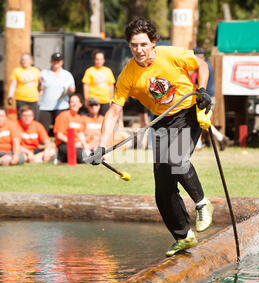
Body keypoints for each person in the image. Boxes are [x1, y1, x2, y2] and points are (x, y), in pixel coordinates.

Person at [91, 18, 214, 257]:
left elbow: (202, 65)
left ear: (153, 43)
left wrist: (203, 89)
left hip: (187, 112)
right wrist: (102, 147)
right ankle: (183, 236)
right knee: (163, 189)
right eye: (134, 45)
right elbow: (114, 111)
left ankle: (202, 204)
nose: (139, 49)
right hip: (161, 122)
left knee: (176, 160)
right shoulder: (127, 74)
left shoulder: (171, 55)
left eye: (143, 44)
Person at [192, 47, 229, 151]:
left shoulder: (201, 66)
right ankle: (199, 144)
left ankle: (218, 137)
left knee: (200, 120)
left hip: (205, 98)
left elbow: (196, 83)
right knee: (200, 120)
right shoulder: (207, 65)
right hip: (209, 96)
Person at [38, 52, 75, 134]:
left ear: (62, 62)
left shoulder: (67, 74)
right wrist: (40, 86)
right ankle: (43, 146)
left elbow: (72, 91)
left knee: (61, 130)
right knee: (43, 130)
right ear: (51, 61)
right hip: (46, 106)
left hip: (62, 106)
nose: (56, 62)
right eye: (54, 60)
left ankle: (61, 146)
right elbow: (39, 89)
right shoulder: (44, 73)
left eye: (58, 61)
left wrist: (69, 89)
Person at [53, 94, 89, 163]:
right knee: (83, 158)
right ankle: (60, 157)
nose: (74, 104)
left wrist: (85, 146)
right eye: (72, 102)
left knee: (87, 155)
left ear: (80, 104)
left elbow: (81, 134)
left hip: (77, 145)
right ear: (69, 104)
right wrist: (73, 143)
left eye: (76, 102)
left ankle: (62, 159)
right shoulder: (63, 116)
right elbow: (60, 136)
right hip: (64, 144)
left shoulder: (80, 118)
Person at [82, 49, 116, 116]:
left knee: (105, 119)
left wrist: (111, 99)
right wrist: (86, 99)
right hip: (93, 100)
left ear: (104, 60)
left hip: (105, 100)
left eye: (101, 59)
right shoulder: (89, 71)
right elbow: (86, 86)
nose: (99, 61)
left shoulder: (108, 70)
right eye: (97, 59)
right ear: (94, 60)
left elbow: (111, 85)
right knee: (92, 120)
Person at [7, 53, 41, 118]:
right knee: (22, 118)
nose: (25, 61)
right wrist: (10, 96)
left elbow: (40, 84)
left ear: (31, 61)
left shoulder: (36, 71)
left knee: (34, 118)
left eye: (27, 59)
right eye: (23, 59)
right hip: (21, 99)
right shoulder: (17, 71)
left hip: (33, 99)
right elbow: (13, 85)